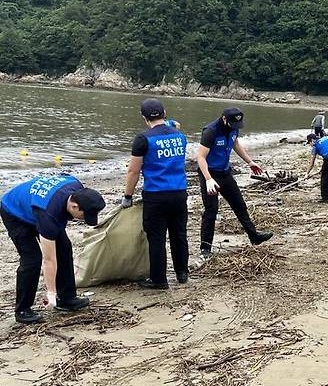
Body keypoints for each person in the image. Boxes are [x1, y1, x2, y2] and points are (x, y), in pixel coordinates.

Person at [0, 174, 106, 323]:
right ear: (74, 206)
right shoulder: (49, 216)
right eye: (84, 215)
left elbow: (63, 177)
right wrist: (51, 293)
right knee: (32, 259)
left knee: (64, 248)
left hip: (37, 206)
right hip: (14, 212)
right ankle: (22, 310)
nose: (84, 219)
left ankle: (67, 298)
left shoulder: (75, 185)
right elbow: (49, 259)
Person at [122, 98, 189, 290]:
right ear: (164, 113)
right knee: (179, 234)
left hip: (156, 195)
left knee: (157, 238)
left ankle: (159, 279)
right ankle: (182, 273)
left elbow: (133, 171)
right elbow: (172, 126)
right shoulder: (179, 136)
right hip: (178, 192)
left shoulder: (143, 139)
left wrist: (127, 196)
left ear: (143, 117)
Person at [197, 107, 273, 257]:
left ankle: (254, 237)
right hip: (210, 175)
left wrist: (250, 162)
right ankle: (205, 248)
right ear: (224, 119)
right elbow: (200, 157)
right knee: (211, 211)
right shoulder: (211, 131)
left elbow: (236, 144)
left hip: (225, 173)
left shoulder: (234, 128)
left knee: (240, 205)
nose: (235, 127)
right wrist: (208, 179)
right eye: (232, 124)